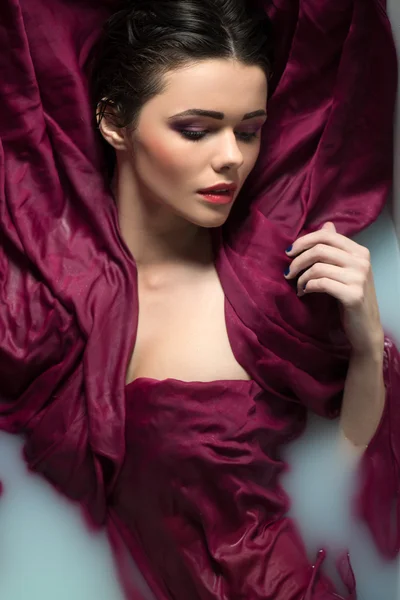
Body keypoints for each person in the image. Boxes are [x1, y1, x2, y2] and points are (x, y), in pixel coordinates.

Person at [0, 0, 399, 599]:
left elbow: (340, 490)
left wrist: (369, 346)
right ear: (114, 123)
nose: (230, 158)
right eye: (195, 129)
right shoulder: (43, 300)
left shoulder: (269, 299)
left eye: (249, 130)